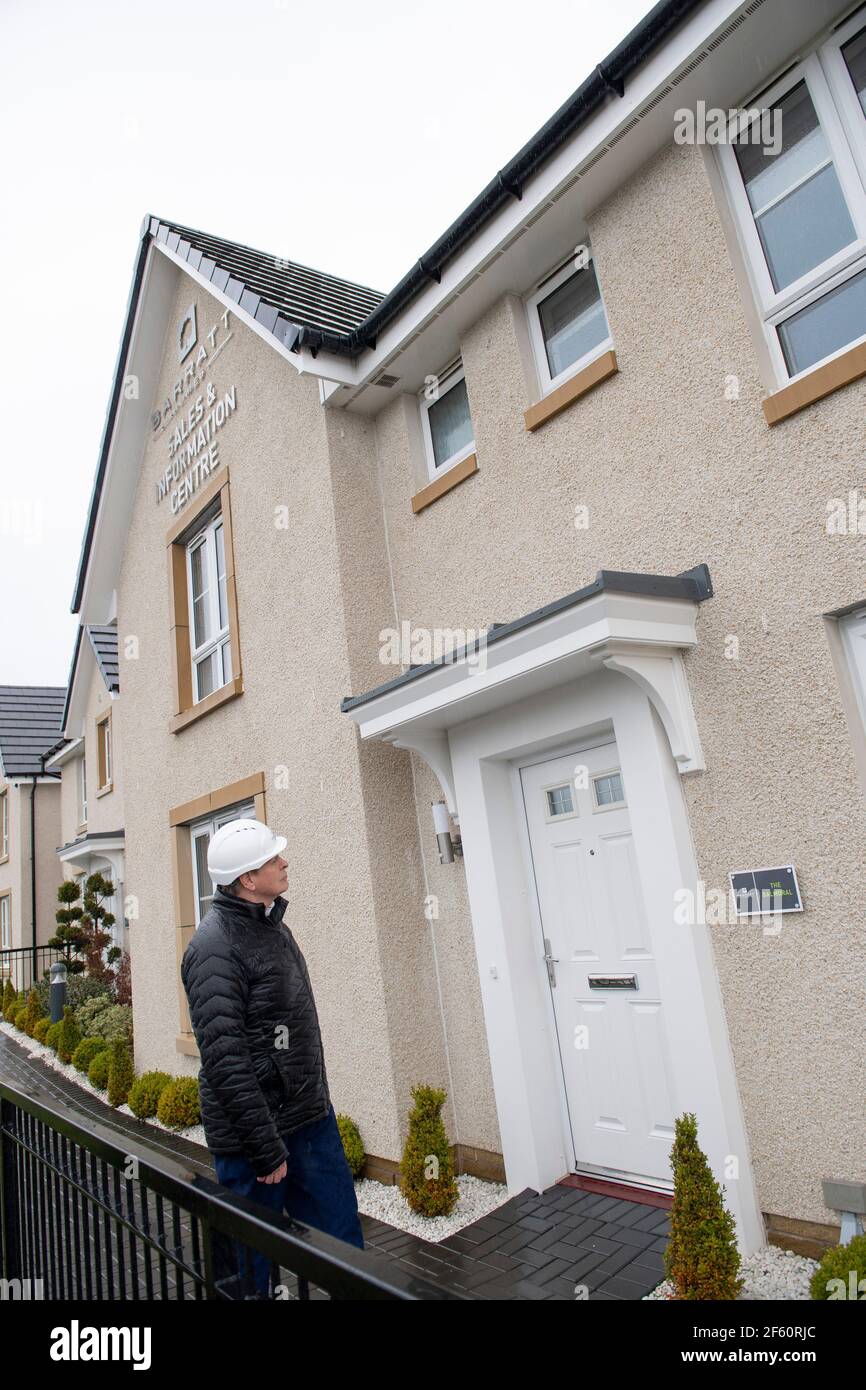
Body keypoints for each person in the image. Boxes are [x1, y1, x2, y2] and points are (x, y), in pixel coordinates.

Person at [180, 817, 364, 1298]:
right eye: (272, 859)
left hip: (309, 1125)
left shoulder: (272, 927)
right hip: (255, 1146)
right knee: (247, 1273)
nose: (284, 863)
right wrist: (264, 1147)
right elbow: (224, 1059)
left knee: (345, 1252)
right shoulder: (213, 948)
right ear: (247, 879)